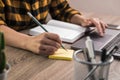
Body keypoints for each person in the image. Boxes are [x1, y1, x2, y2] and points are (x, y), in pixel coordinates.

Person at [0, 0, 107, 55]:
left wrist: (83, 20)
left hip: (38, 44)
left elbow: (62, 10)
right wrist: (27, 42)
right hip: (9, 50)